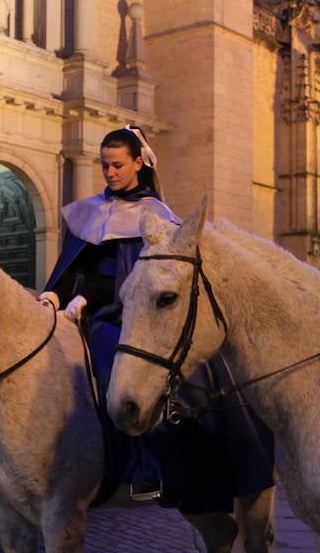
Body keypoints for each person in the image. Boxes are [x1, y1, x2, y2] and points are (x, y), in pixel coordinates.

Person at [43, 126, 275, 515]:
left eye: (117, 165)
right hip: (89, 311)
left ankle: (147, 469)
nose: (110, 173)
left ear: (139, 163)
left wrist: (90, 296)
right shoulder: (93, 210)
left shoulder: (156, 215)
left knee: (118, 363)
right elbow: (72, 266)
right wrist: (56, 293)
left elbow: (149, 278)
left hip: (136, 315)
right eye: (105, 166)